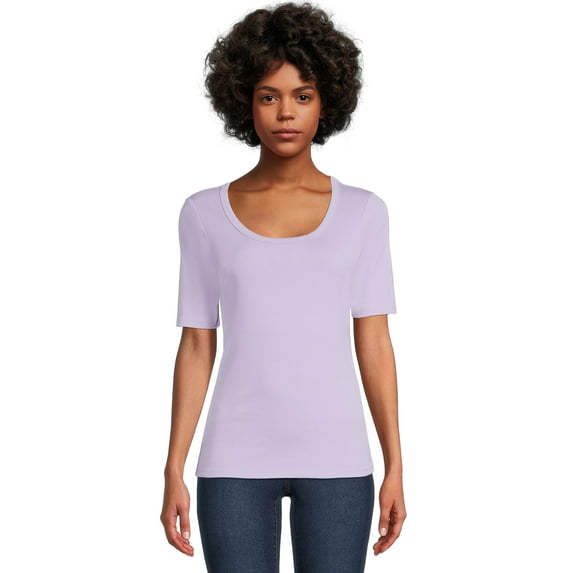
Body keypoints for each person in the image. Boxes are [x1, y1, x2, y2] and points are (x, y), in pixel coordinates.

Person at [160, 2, 406, 571]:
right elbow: (196, 344)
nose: (286, 112)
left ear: (326, 102)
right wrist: (174, 467)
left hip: (339, 458)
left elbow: (374, 342)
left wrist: (395, 463)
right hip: (233, 462)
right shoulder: (203, 214)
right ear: (245, 101)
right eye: (269, 96)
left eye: (303, 95)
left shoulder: (364, 213)